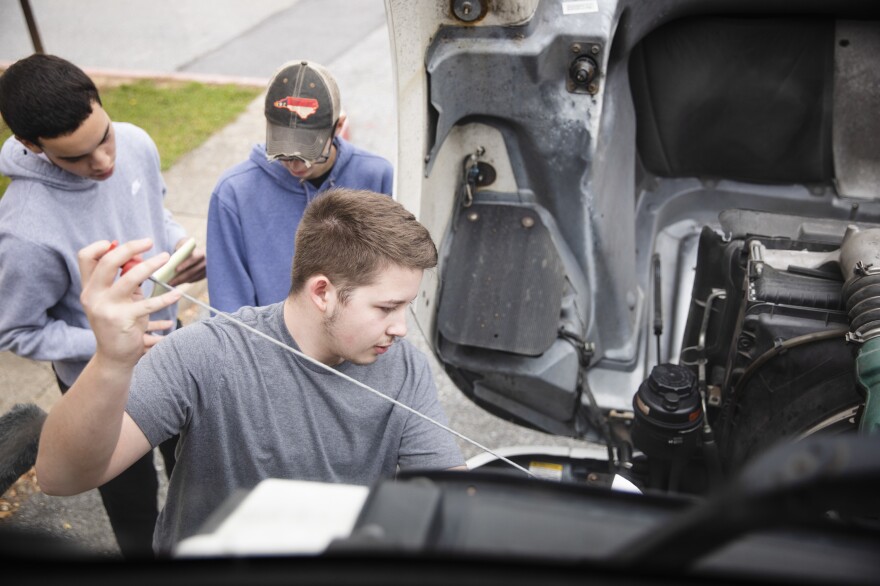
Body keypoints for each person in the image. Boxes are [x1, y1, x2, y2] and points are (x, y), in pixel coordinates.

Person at [36, 188, 466, 555]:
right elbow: (60, 476)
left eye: (406, 306)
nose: (401, 327)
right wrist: (111, 361)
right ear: (323, 293)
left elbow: (450, 503)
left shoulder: (403, 363)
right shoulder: (205, 354)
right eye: (387, 307)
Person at [0, 54, 206, 557]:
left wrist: (178, 241)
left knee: (195, 475)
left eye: (104, 136)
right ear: (31, 146)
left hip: (173, 351)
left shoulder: (134, 141)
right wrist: (110, 340)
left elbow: (154, 208)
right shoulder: (22, 231)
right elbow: (15, 330)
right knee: (134, 505)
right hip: (99, 386)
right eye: (76, 157)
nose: (104, 161)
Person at [206, 60, 393, 313]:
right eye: (282, 151)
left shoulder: (376, 177)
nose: (295, 164)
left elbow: (387, 284)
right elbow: (228, 307)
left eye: (309, 152)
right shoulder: (234, 193)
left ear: (338, 127)